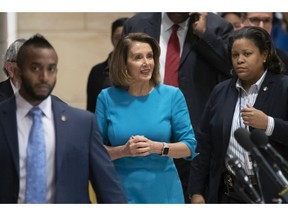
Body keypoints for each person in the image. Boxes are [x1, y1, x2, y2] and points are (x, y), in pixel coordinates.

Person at [0, 33, 127, 204]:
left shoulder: (81, 123)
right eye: (35, 68)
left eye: (51, 68)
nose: (44, 77)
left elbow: (109, 192)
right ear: (17, 70)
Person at [122, 12, 233, 203]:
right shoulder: (138, 23)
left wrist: (205, 35)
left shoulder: (216, 26)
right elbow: (115, 71)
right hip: (144, 132)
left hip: (195, 132)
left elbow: (232, 68)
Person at [189, 26, 288, 203]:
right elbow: (203, 144)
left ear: (264, 55)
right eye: (235, 55)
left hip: (274, 192)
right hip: (229, 192)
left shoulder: (283, 87)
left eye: (247, 54)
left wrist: (269, 124)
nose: (240, 60)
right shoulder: (221, 91)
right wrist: (196, 192)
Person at [96, 32, 198, 203]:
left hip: (164, 191)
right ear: (124, 63)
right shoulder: (107, 97)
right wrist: (124, 151)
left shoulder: (172, 95)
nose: (146, 63)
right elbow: (95, 151)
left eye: (150, 56)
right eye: (138, 58)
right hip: (120, 191)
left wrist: (157, 147)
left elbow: (190, 146)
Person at [86, 17, 128, 113]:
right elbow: (91, 108)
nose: (121, 42)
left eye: (125, 37)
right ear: (112, 38)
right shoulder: (97, 71)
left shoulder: (138, 69)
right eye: (118, 37)